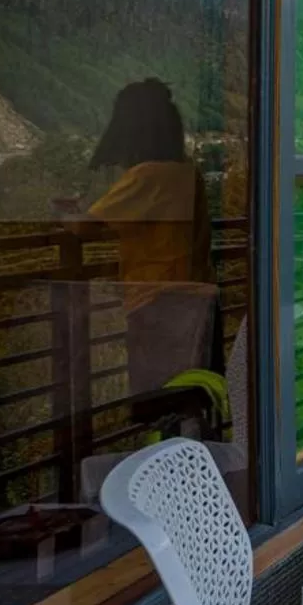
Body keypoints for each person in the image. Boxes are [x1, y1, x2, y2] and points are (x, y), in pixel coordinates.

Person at [70, 79, 218, 404]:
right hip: (196, 300)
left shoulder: (147, 176)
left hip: (156, 302)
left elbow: (84, 228)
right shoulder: (186, 174)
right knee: (189, 397)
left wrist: (63, 211)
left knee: (155, 400)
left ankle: (162, 452)